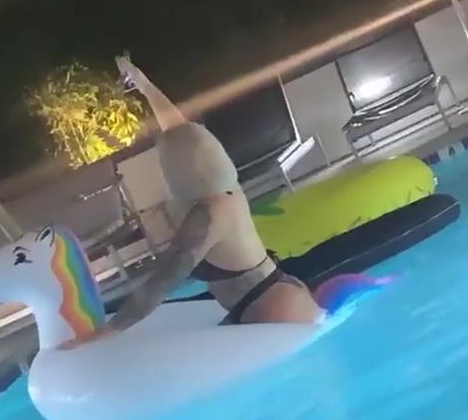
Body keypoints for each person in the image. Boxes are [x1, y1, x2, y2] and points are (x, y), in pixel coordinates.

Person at [108, 56, 325, 331]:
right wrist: (144, 85)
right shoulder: (217, 187)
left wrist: (104, 332)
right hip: (270, 302)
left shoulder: (210, 214)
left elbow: (160, 284)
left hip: (276, 310)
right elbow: (180, 132)